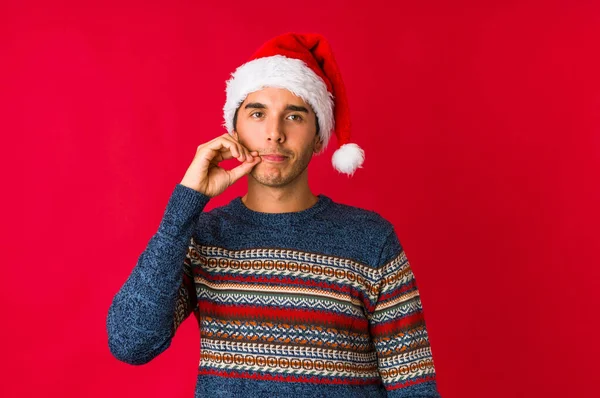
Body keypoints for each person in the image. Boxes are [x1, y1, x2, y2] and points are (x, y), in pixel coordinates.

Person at [107, 32, 441, 397]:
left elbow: (414, 386)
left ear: (318, 137)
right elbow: (130, 343)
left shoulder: (371, 239)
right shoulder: (201, 236)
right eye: (257, 113)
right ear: (235, 131)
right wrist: (184, 207)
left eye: (294, 116)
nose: (274, 134)